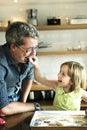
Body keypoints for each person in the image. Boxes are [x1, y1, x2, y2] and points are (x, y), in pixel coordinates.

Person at [0, 21, 41, 116]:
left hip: (15, 102)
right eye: (28, 49)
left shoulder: (30, 54)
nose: (33, 54)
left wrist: (22, 104)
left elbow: (28, 77)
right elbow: (3, 109)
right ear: (13, 46)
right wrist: (35, 105)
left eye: (35, 48)